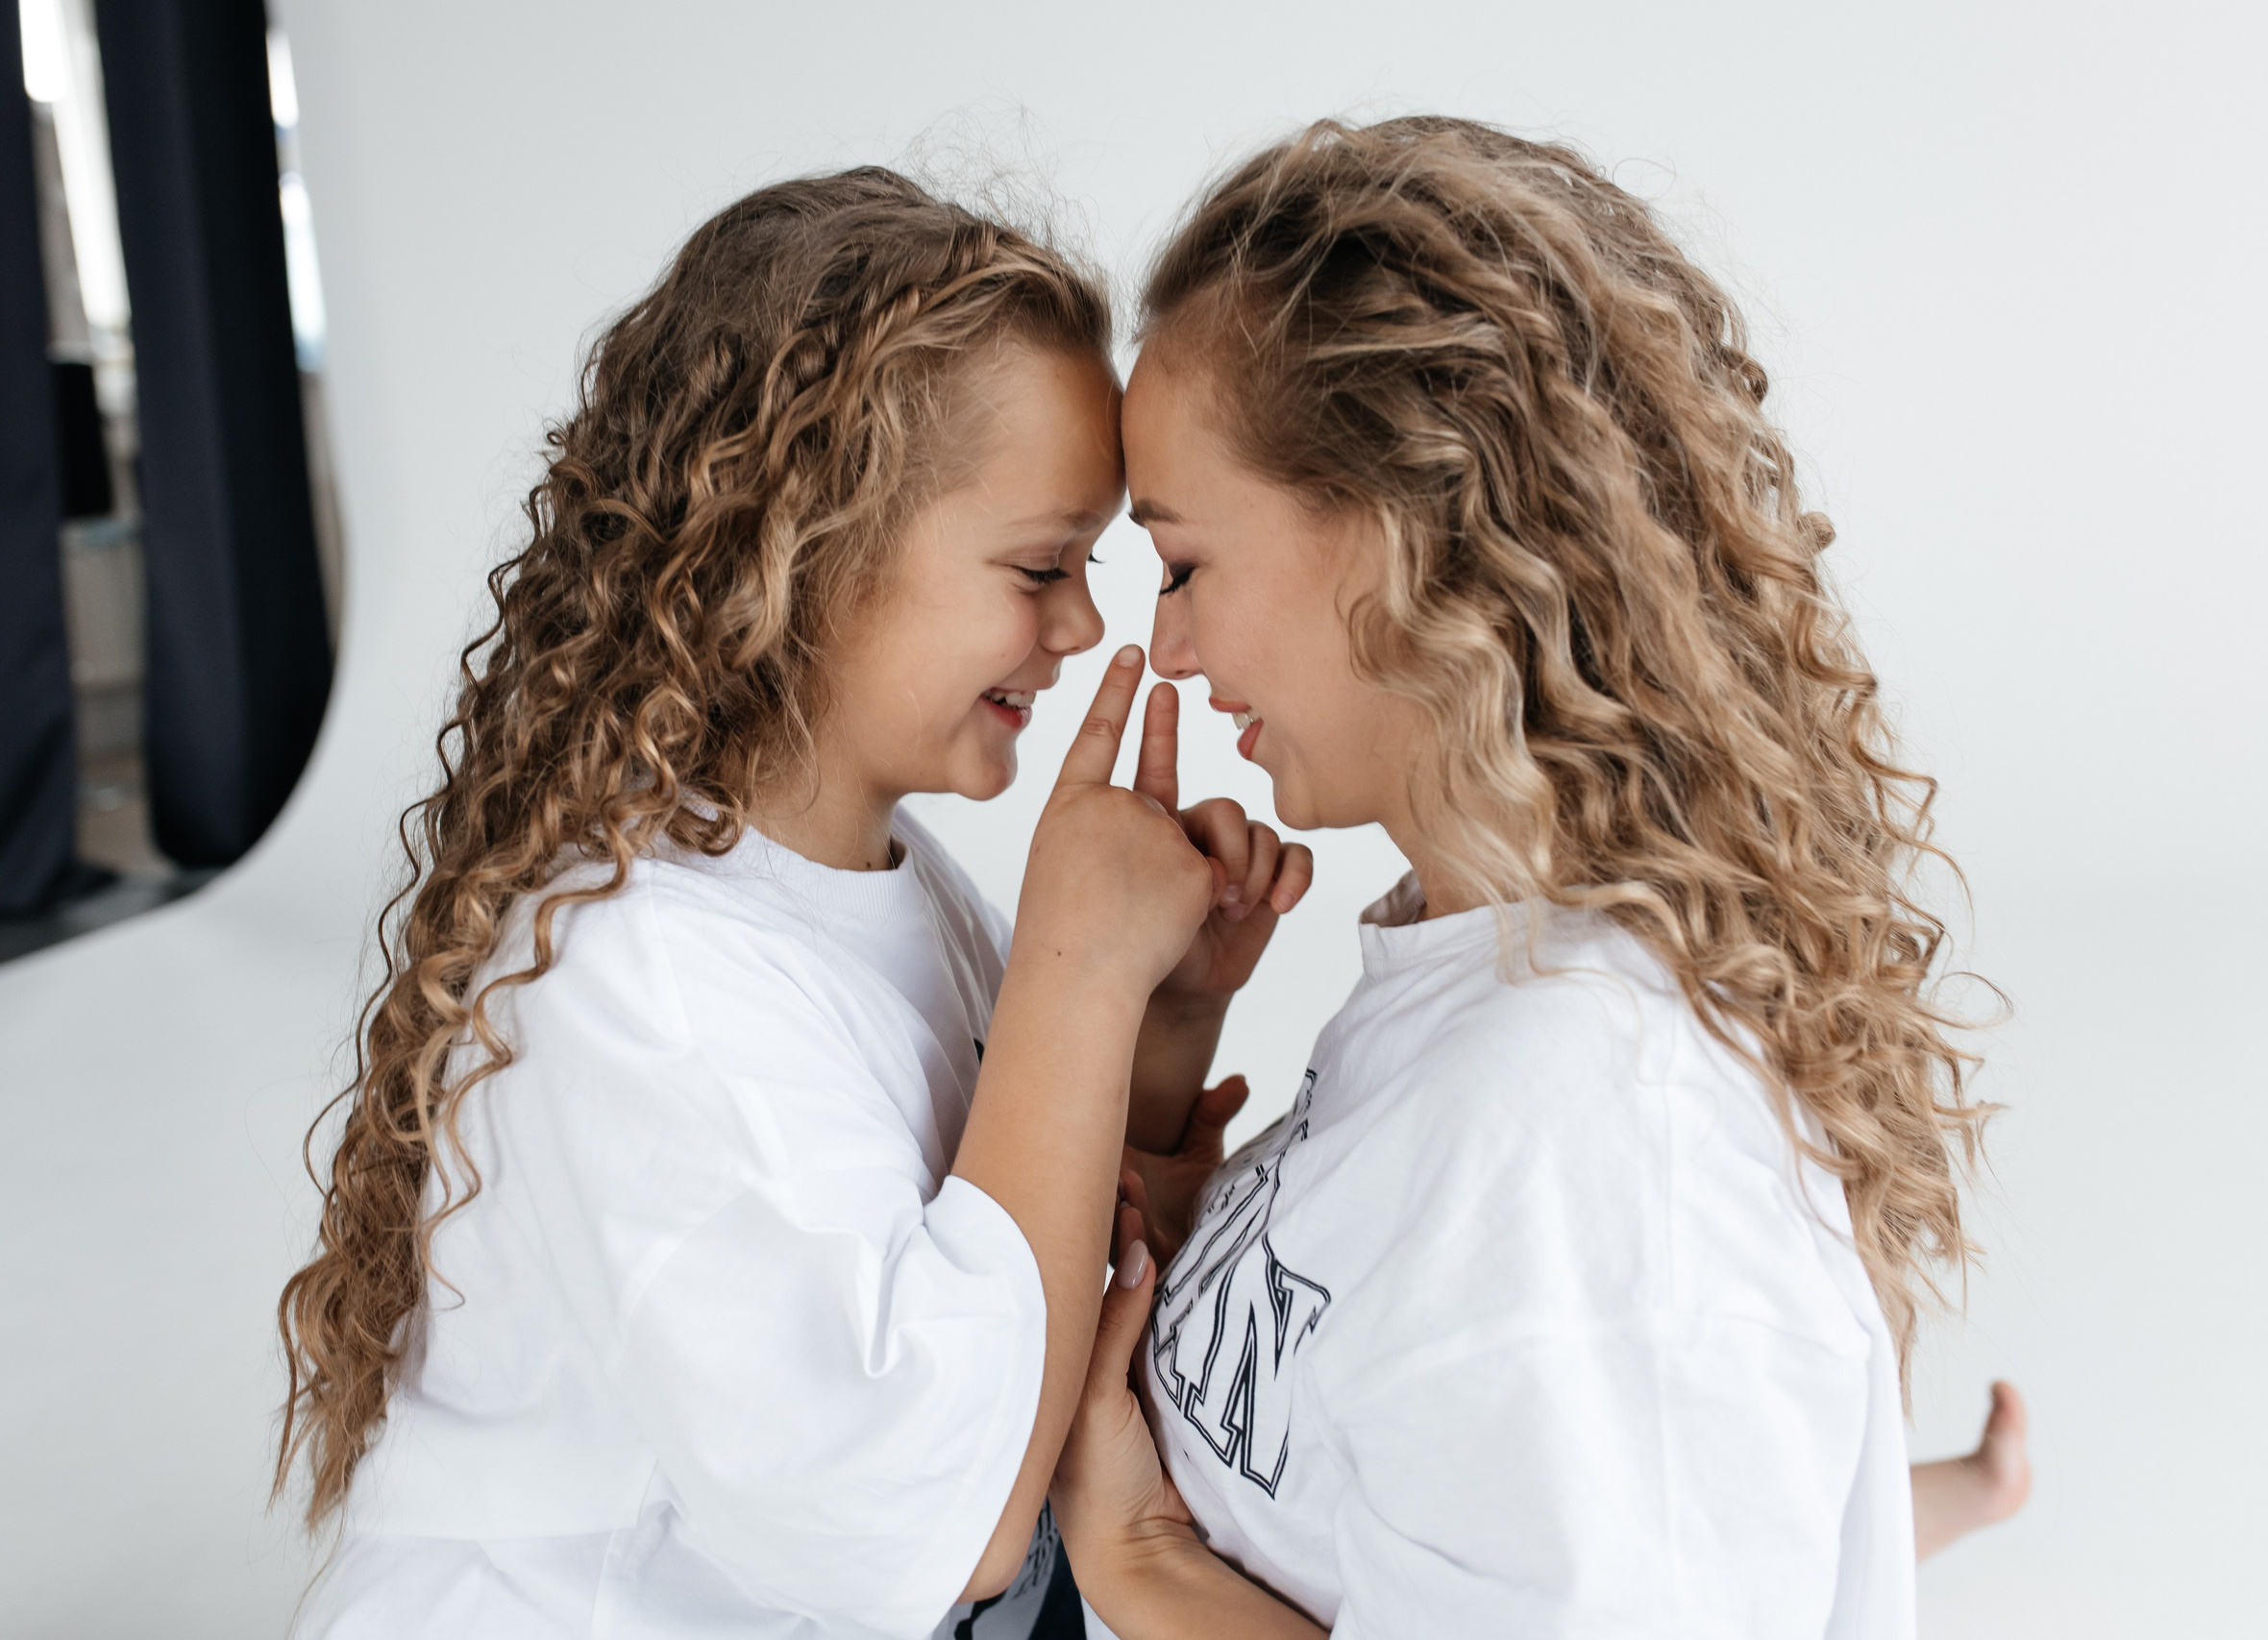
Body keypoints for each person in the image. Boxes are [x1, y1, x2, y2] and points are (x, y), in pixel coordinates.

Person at [271, 169, 1307, 1640]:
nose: (1085, 625)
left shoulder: (885, 881)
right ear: (808, 553)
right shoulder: (635, 981)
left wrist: (1155, 1013)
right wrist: (1076, 971)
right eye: (1040, 566)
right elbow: (931, 1521)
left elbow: (1001, 1258)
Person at [1050, 117, 2010, 1637]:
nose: (1165, 647)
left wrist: (1140, 1567)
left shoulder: (1591, 1112)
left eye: (1181, 565)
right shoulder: (1475, 979)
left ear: (1401, 536)